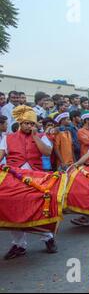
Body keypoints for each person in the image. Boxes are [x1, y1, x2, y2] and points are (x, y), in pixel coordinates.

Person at [0, 106, 56, 259]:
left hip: (36, 176)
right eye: (26, 123)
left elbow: (47, 152)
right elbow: (1, 155)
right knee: (12, 208)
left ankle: (48, 238)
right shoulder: (8, 137)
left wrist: (35, 136)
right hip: (14, 177)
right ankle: (19, 244)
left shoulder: (41, 136)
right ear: (20, 122)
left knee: (40, 206)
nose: (30, 126)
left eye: (32, 124)